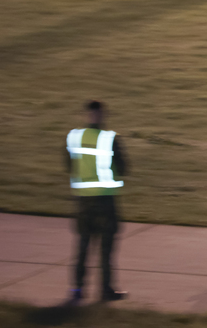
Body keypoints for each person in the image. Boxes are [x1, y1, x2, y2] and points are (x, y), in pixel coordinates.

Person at [66, 100, 129, 301]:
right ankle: (106, 290)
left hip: (83, 202)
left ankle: (77, 290)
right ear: (103, 115)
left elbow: (68, 164)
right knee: (106, 249)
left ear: (87, 114)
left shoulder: (74, 137)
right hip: (105, 201)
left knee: (83, 246)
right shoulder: (109, 139)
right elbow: (125, 167)